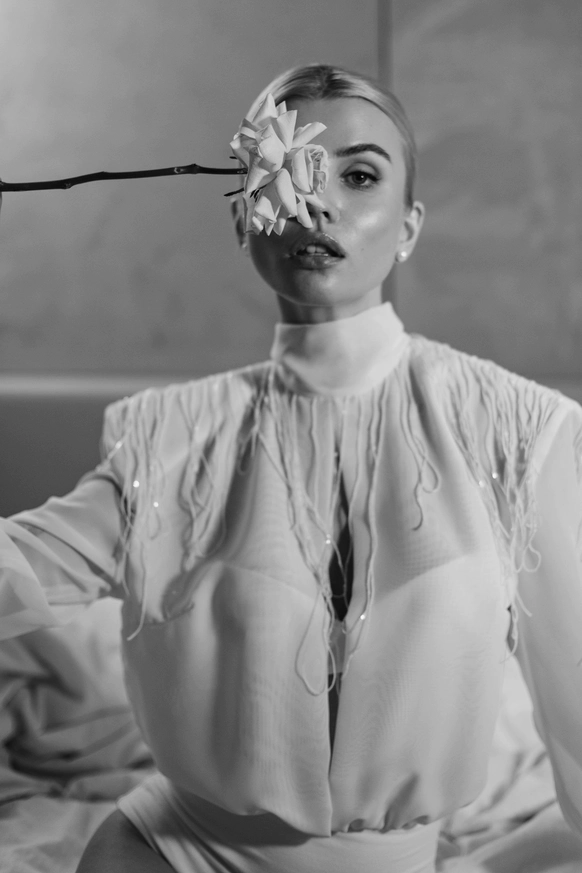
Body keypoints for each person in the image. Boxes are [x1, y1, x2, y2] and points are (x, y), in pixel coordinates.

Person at [1, 63, 581, 873]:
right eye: (291, 173)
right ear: (246, 216)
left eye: (360, 175)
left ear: (409, 226)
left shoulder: (518, 430)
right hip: (170, 850)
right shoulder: (169, 436)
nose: (316, 201)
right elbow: (19, 569)